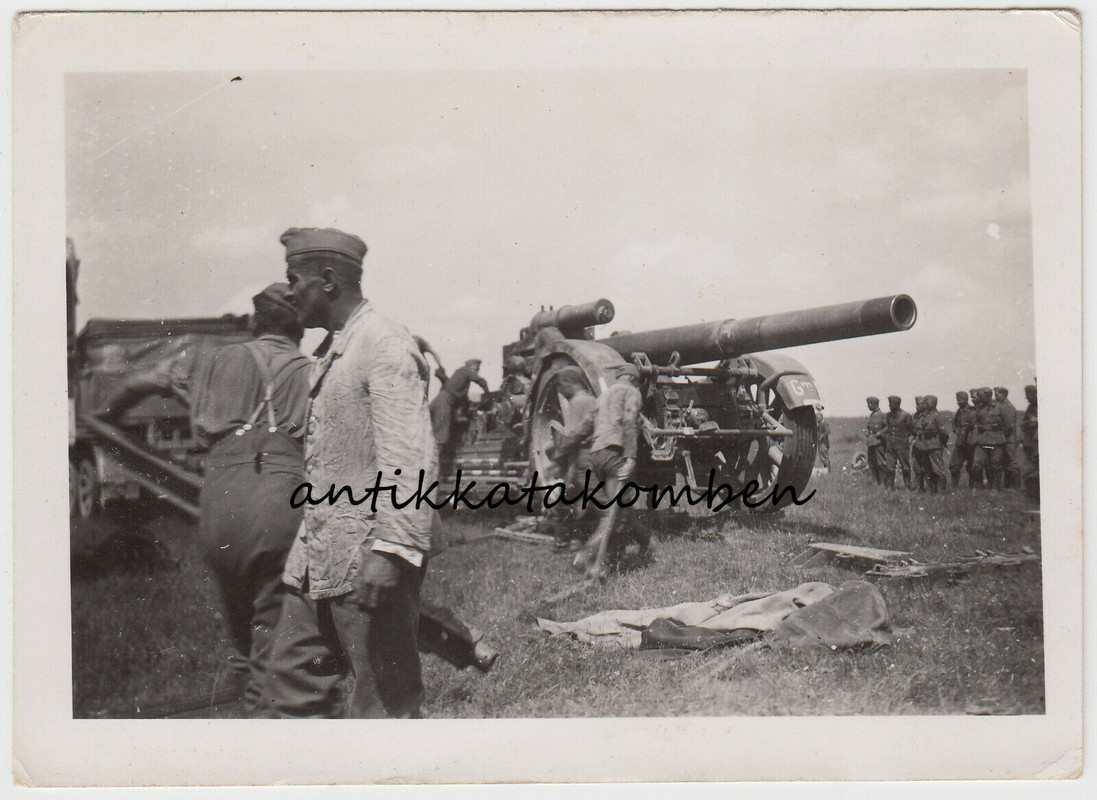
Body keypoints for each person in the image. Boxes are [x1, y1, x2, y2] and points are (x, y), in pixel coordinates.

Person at [264, 227, 437, 719]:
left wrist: (392, 551)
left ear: (328, 279)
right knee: (290, 682)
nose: (290, 291)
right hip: (319, 555)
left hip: (368, 556)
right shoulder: (333, 350)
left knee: (382, 704)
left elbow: (410, 459)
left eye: (294, 279)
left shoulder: (382, 344)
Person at [188, 283, 311, 715]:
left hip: (221, 500)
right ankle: (259, 739)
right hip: (278, 500)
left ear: (257, 322)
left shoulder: (223, 359)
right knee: (271, 638)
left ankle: (227, 725)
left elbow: (200, 431)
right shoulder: (309, 370)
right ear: (299, 328)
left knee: (239, 642)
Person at [574, 363, 644, 580]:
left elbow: (586, 425)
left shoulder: (603, 396)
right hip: (615, 452)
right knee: (616, 513)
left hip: (597, 454)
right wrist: (631, 457)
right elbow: (630, 422)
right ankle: (589, 557)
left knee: (617, 510)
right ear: (634, 379)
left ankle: (608, 560)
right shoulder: (631, 392)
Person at [544, 367, 598, 549]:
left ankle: (567, 539)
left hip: (581, 461)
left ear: (569, 382)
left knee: (569, 499)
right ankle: (578, 538)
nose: (559, 390)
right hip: (592, 458)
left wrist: (557, 455)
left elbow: (574, 435)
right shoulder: (592, 399)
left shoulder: (578, 402)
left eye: (559, 384)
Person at [429, 358, 489, 469]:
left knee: (435, 436)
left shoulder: (460, 380)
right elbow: (481, 381)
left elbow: (463, 401)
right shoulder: (465, 371)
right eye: (476, 369)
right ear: (472, 367)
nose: (477, 372)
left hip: (438, 401)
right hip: (444, 403)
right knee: (441, 438)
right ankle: (433, 469)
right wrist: (488, 394)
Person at [970, 387, 1008, 489]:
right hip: (982, 440)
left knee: (996, 464)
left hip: (996, 440)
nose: (979, 398)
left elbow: (1008, 425)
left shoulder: (1000, 407)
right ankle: (979, 487)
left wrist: (998, 430)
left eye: (980, 396)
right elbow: (976, 424)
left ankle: (995, 487)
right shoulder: (979, 408)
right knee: (977, 464)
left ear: (988, 395)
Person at [911, 395, 949, 493]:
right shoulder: (925, 415)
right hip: (925, 447)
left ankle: (941, 492)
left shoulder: (936, 415)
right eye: (925, 402)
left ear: (934, 403)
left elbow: (944, 432)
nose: (926, 404)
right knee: (928, 470)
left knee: (938, 470)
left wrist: (942, 443)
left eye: (928, 402)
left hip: (934, 446)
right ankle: (931, 490)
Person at [882, 395, 914, 490]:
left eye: (891, 404)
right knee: (890, 467)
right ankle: (889, 487)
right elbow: (888, 428)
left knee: (905, 467)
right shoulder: (888, 415)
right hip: (890, 446)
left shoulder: (905, 415)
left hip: (902, 446)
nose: (889, 406)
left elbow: (911, 431)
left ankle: (907, 486)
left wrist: (906, 442)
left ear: (897, 404)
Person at [949, 391, 976, 489]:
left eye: (960, 399)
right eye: (957, 399)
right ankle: (953, 487)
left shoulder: (972, 411)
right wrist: (956, 430)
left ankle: (972, 486)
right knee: (954, 465)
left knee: (971, 465)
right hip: (960, 442)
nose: (958, 402)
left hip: (970, 442)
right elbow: (954, 422)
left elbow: (973, 426)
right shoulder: (959, 411)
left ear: (966, 399)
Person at [994, 387, 1020, 489]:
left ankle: (1015, 486)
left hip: (1010, 439)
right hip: (1007, 438)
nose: (995, 397)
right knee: (1006, 461)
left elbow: (1009, 426)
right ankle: (1008, 485)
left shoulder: (1007, 407)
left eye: (996, 395)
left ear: (1004, 395)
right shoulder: (1004, 406)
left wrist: (1001, 435)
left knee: (1011, 461)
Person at [1020, 383, 1039, 502]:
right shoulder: (1030, 407)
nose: (1026, 397)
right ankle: (1028, 491)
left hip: (1037, 440)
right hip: (1029, 441)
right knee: (1028, 466)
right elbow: (1024, 423)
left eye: (1029, 394)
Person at [864, 396, 887, 485]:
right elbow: (869, 426)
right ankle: (875, 481)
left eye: (869, 404)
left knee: (881, 463)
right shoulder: (872, 415)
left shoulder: (882, 415)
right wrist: (866, 431)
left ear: (874, 404)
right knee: (872, 463)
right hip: (871, 442)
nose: (868, 406)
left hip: (879, 442)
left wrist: (880, 433)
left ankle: (882, 482)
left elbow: (887, 427)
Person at [910, 397, 926, 491]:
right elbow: (913, 431)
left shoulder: (927, 416)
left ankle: (927, 487)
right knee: (917, 467)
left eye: (918, 404)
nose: (917, 406)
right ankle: (918, 487)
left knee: (925, 467)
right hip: (917, 445)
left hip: (925, 445)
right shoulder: (915, 416)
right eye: (916, 404)